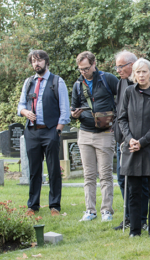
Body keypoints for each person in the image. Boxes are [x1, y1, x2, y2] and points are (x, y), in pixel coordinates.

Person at [118, 58, 150, 237]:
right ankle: (135, 230)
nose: (141, 75)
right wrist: (130, 139)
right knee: (134, 192)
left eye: (144, 71)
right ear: (134, 74)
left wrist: (143, 141)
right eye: (137, 72)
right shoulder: (129, 92)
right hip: (132, 148)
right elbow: (122, 119)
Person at [17, 50, 70, 216]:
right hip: (32, 131)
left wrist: (58, 131)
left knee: (54, 170)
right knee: (34, 170)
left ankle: (54, 205)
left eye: (39, 60)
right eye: (33, 61)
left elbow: (65, 110)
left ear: (46, 62)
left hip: (50, 131)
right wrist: (25, 112)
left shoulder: (57, 81)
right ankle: (33, 206)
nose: (36, 64)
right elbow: (20, 106)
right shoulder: (28, 83)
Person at [71, 51, 118, 222]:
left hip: (105, 132)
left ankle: (107, 210)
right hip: (85, 132)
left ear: (94, 64)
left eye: (86, 68)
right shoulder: (78, 84)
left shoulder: (108, 79)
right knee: (88, 175)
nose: (83, 72)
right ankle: (90, 210)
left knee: (105, 174)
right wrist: (74, 114)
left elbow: (122, 99)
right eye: (80, 69)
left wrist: (116, 120)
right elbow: (73, 106)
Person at [112, 51, 149, 231]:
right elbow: (121, 114)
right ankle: (129, 217)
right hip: (124, 141)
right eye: (117, 66)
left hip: (139, 142)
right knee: (122, 179)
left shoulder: (142, 86)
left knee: (140, 183)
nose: (118, 70)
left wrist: (135, 140)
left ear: (133, 64)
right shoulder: (121, 84)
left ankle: (140, 219)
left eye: (122, 66)